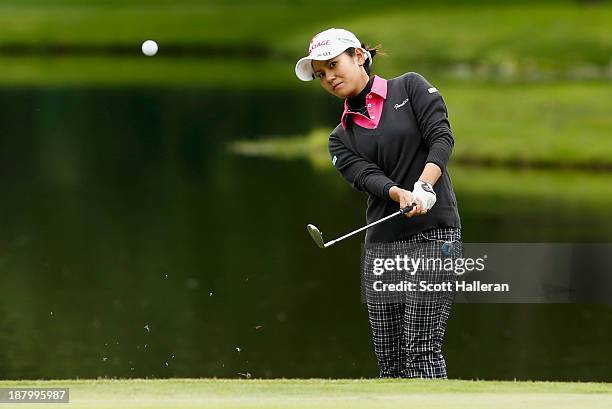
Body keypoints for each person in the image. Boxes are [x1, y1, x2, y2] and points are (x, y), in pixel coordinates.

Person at [294, 28, 462, 378]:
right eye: (321, 74)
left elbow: (441, 137)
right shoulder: (340, 137)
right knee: (390, 361)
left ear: (358, 56)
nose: (329, 78)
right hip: (382, 247)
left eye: (333, 65)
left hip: (435, 236)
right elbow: (367, 178)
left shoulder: (409, 88)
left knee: (421, 348)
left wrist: (424, 185)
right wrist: (399, 193)